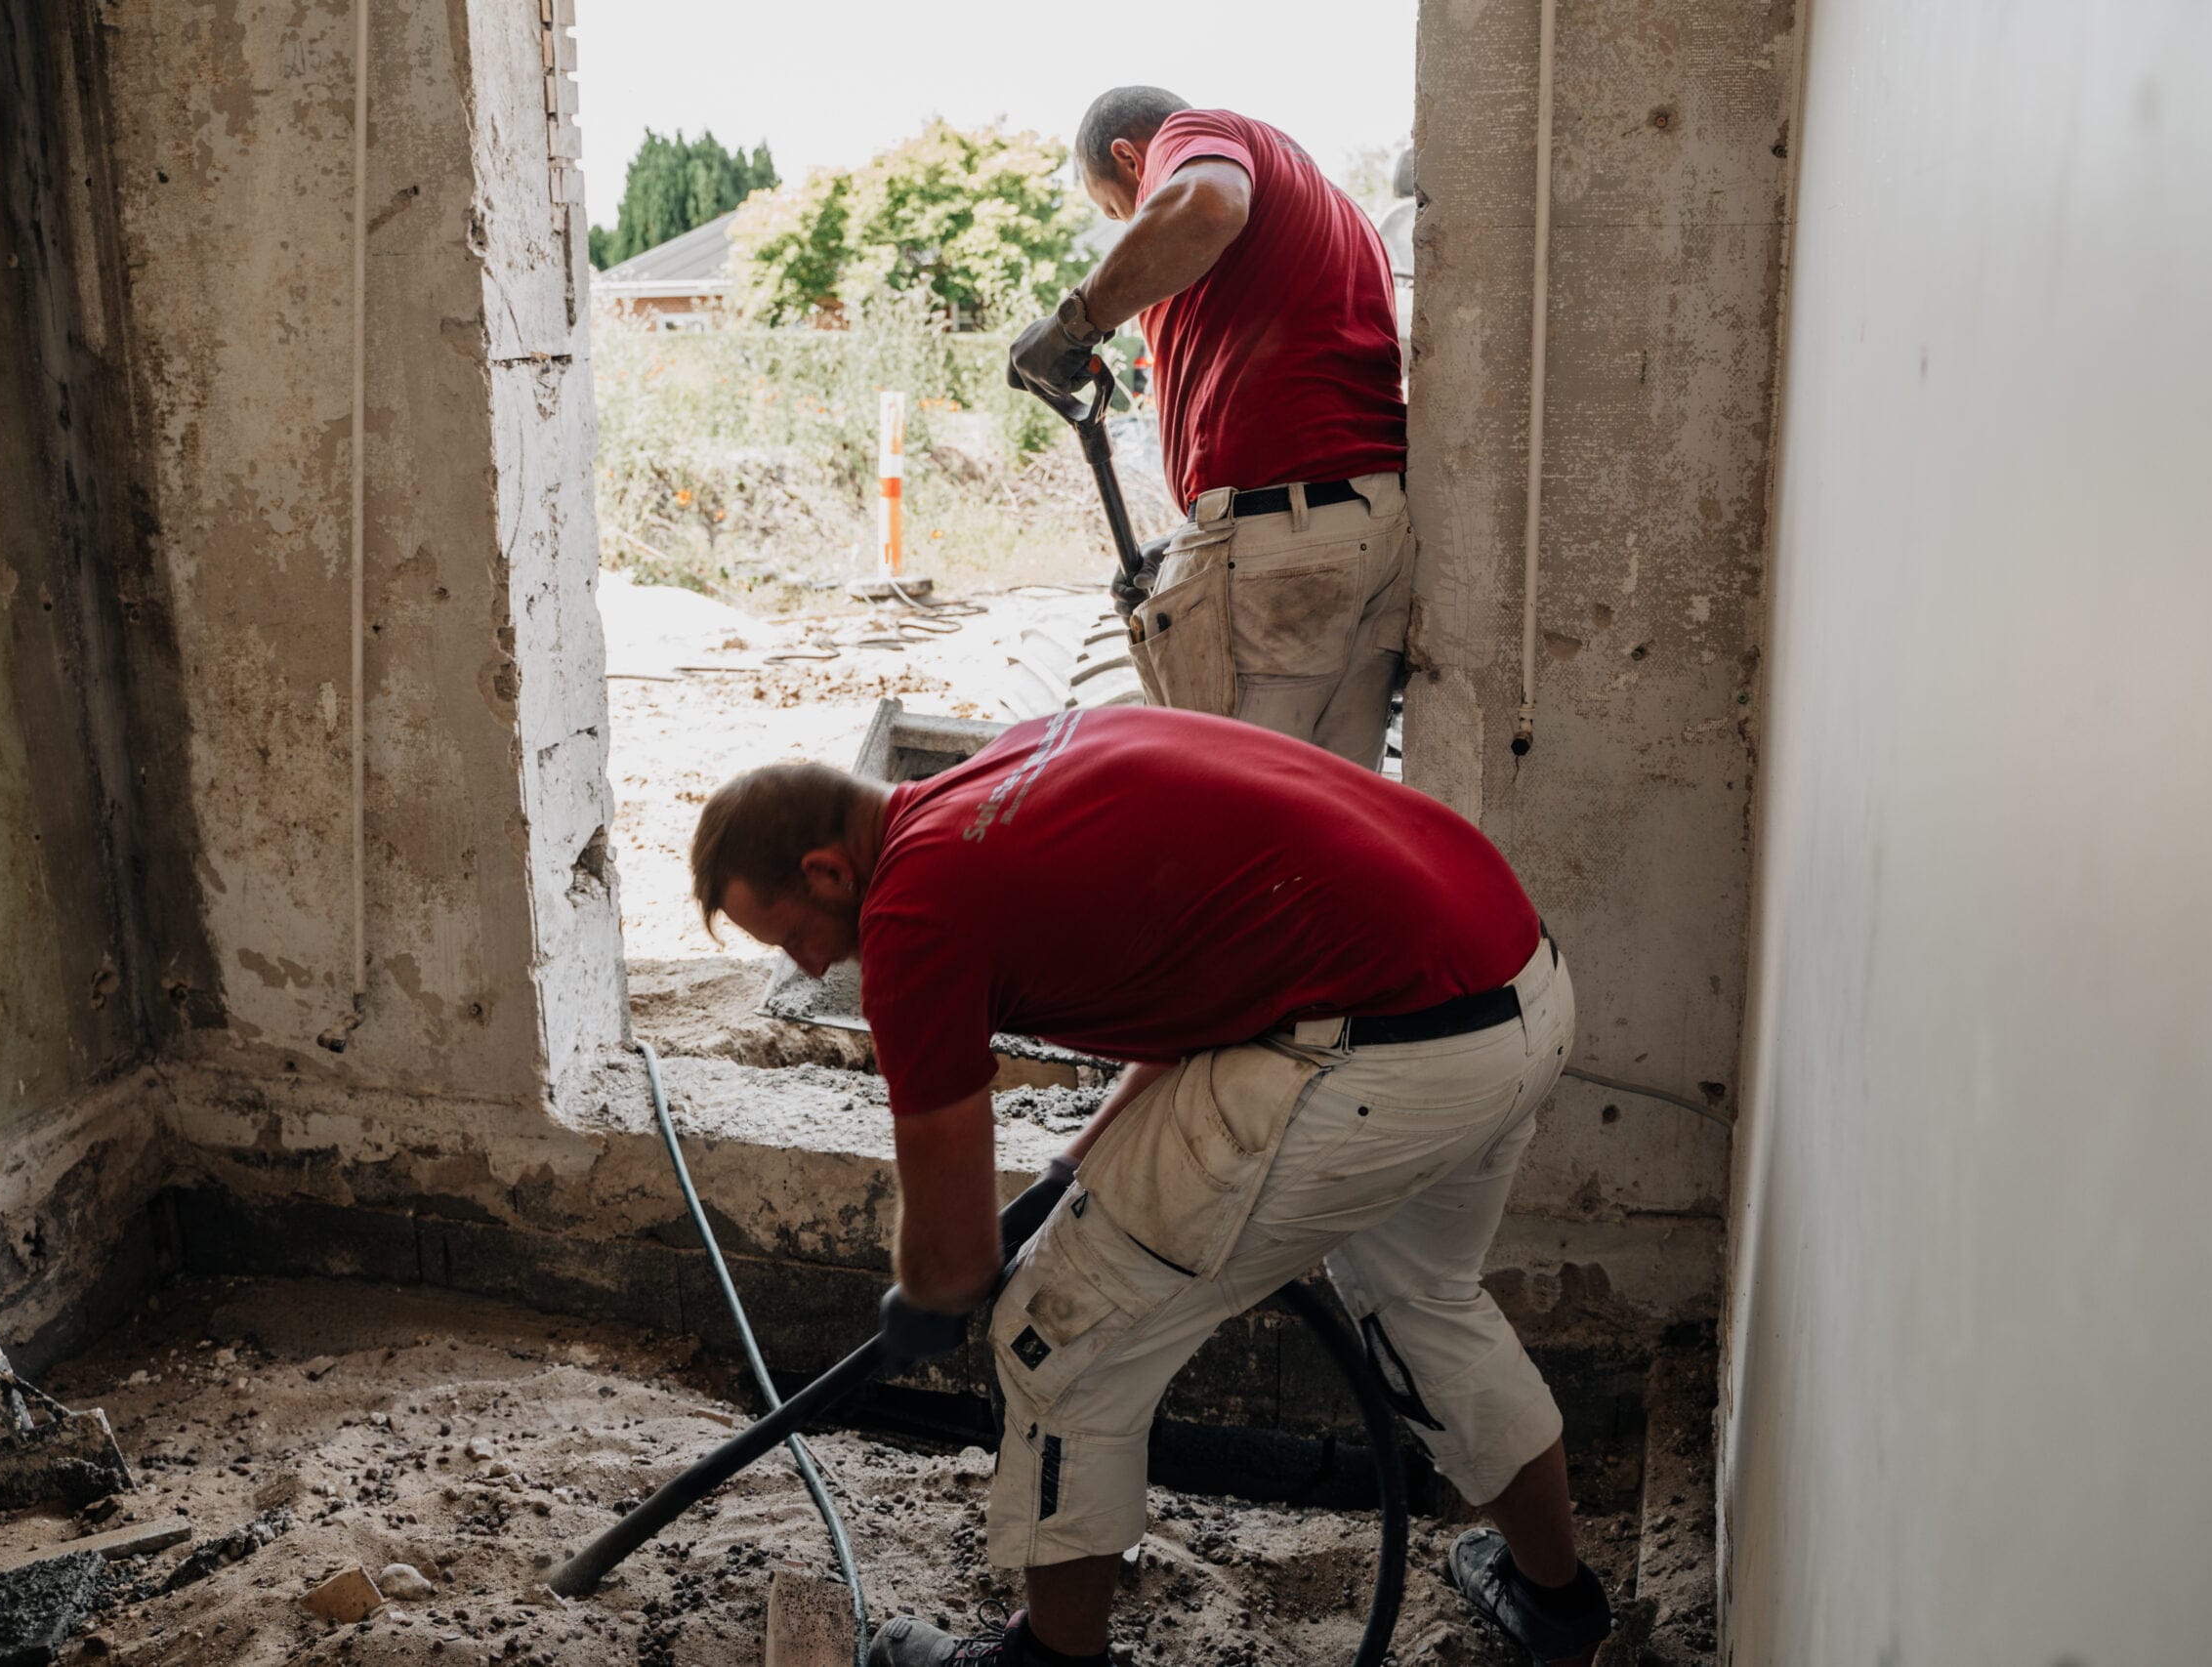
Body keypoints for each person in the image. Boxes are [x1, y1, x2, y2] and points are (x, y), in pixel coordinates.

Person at [690, 708, 1614, 1667]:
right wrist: (1069, 1170)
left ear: (828, 871)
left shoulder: (913, 916)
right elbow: (1192, 988)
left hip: (1384, 1046)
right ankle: (1556, 1604)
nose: (806, 965)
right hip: (1512, 990)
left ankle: (1048, 1662)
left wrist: (926, 1295)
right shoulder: (1024, 754)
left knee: (1056, 1337)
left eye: (792, 934)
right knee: (1425, 1302)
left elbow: (956, 1257)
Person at [1008, 88, 1411, 770]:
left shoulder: (1197, 134)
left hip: (1287, 547)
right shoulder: (1341, 214)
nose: (1132, 231)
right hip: (1368, 530)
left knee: (1231, 809)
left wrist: (1077, 322)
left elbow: (1208, 205)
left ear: (1132, 159)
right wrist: (1201, 540)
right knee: (1327, 812)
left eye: (1120, 211)